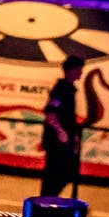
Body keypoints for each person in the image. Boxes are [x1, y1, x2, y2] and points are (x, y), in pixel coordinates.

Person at [39, 55, 87, 201]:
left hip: (64, 140)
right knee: (56, 173)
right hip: (57, 142)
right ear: (71, 70)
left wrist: (74, 135)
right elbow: (50, 113)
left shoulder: (70, 90)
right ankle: (46, 200)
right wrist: (61, 132)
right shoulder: (61, 90)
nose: (81, 73)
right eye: (79, 69)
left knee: (67, 172)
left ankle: (50, 199)